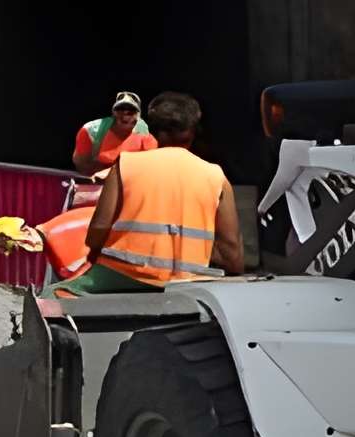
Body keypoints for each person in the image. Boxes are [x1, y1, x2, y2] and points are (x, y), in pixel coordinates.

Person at [62, 90, 246, 295]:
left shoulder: (125, 165)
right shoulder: (216, 177)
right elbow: (233, 257)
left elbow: (97, 232)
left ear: (151, 130)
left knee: (50, 298)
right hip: (191, 282)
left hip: (121, 276)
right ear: (193, 131)